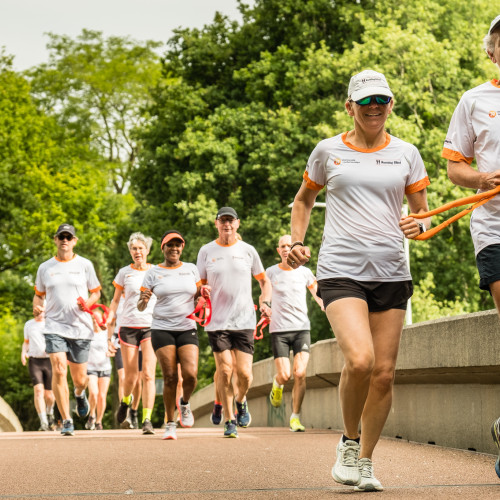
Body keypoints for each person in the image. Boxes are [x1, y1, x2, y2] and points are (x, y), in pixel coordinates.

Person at [287, 70, 430, 491]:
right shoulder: (327, 151)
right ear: (349, 106)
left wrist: (418, 227)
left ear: (390, 106)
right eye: (365, 101)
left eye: (381, 100)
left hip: (391, 271)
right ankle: (348, 444)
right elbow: (303, 199)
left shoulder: (407, 153)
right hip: (341, 271)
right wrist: (297, 241)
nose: (373, 107)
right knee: (362, 360)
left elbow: (420, 213)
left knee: (384, 374)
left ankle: (364, 461)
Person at [442, 14, 500, 478]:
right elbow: (454, 167)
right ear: (491, 50)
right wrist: (481, 177)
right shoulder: (474, 100)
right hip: (494, 227)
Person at [197, 207, 272, 438]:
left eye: (230, 221)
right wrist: (201, 290)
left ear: (237, 224)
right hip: (217, 321)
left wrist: (266, 302)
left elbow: (264, 281)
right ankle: (230, 421)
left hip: (244, 320)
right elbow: (197, 285)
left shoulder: (247, 251)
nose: (227, 224)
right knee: (225, 369)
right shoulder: (206, 251)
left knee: (245, 374)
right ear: (216, 224)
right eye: (223, 221)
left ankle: (241, 401)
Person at [139, 230, 209, 440]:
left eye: (178, 245)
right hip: (162, 328)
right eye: (170, 245)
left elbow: (198, 295)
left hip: (187, 326)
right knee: (169, 377)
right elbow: (141, 306)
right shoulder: (153, 273)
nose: (174, 249)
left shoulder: (191, 269)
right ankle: (170, 423)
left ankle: (184, 403)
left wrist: (204, 295)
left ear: (182, 248)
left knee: (190, 375)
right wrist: (143, 299)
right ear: (163, 248)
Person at [33, 223, 102, 436]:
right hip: (54, 326)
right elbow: (38, 294)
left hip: (80, 328)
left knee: (80, 380)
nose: (65, 240)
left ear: (74, 241)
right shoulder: (45, 268)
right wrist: (36, 306)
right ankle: (67, 420)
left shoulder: (85, 265)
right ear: (55, 240)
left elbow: (96, 292)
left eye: (68, 237)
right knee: (59, 369)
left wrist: (89, 303)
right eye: (61, 237)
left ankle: (79, 395)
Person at [267, 234, 324, 432]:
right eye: (282, 246)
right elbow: (263, 295)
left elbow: (319, 294)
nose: (286, 248)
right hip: (279, 330)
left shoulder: (305, 273)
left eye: (289, 245)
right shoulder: (270, 273)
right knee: (284, 375)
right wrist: (264, 306)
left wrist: (329, 307)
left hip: (301, 329)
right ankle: (277, 383)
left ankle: (295, 417)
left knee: (300, 372)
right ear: (278, 251)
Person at [106, 232, 157, 435]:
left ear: (147, 250)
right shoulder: (124, 273)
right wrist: (110, 316)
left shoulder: (156, 271)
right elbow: (116, 300)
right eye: (134, 249)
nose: (137, 252)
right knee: (131, 377)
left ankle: (147, 419)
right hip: (128, 327)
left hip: (151, 326)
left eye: (140, 248)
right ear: (130, 251)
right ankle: (126, 401)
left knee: (149, 374)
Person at [107, 294, 142, 429]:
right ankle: (126, 412)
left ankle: (134, 412)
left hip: (139, 338)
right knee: (123, 377)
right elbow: (111, 322)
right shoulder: (115, 300)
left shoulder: (139, 295)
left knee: (138, 381)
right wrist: (109, 340)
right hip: (120, 339)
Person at [21, 312, 56, 431]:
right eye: (38, 311)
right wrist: (23, 352)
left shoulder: (50, 323)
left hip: (49, 361)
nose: (40, 313)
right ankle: (43, 422)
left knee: (49, 394)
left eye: (43, 311)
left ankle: (50, 412)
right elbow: (26, 342)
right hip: (34, 361)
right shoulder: (29, 324)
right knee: (38, 391)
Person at [85, 312, 112, 430]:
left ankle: (99, 422)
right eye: (93, 319)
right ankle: (92, 414)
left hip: (105, 368)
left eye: (97, 319)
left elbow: (113, 349)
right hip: (90, 368)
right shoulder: (87, 334)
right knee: (94, 393)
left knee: (102, 396)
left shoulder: (106, 334)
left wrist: (110, 352)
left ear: (102, 320)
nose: (95, 322)